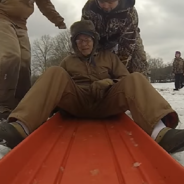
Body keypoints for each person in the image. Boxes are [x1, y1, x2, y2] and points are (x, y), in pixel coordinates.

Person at [0, 20, 184, 154]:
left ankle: (161, 132)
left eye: (87, 39)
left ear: (94, 41)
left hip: (106, 103)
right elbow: (54, 87)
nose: (84, 43)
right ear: (74, 43)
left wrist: (108, 83)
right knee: (54, 72)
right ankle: (20, 128)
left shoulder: (109, 58)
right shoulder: (68, 60)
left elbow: (125, 80)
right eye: (79, 40)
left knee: (136, 77)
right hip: (76, 103)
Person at [0, 0, 66, 119]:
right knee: (12, 56)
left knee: (25, 61)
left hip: (21, 24)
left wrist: (58, 21)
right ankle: (3, 105)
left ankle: (22, 104)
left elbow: (45, 5)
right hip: (2, 18)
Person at [82, 0, 149, 76]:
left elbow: (127, 45)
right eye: (102, 2)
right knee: (96, 64)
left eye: (110, 2)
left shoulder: (129, 13)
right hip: (99, 39)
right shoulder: (89, 8)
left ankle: (138, 84)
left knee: (139, 63)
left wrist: (119, 70)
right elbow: (86, 34)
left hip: (127, 37)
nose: (106, 6)